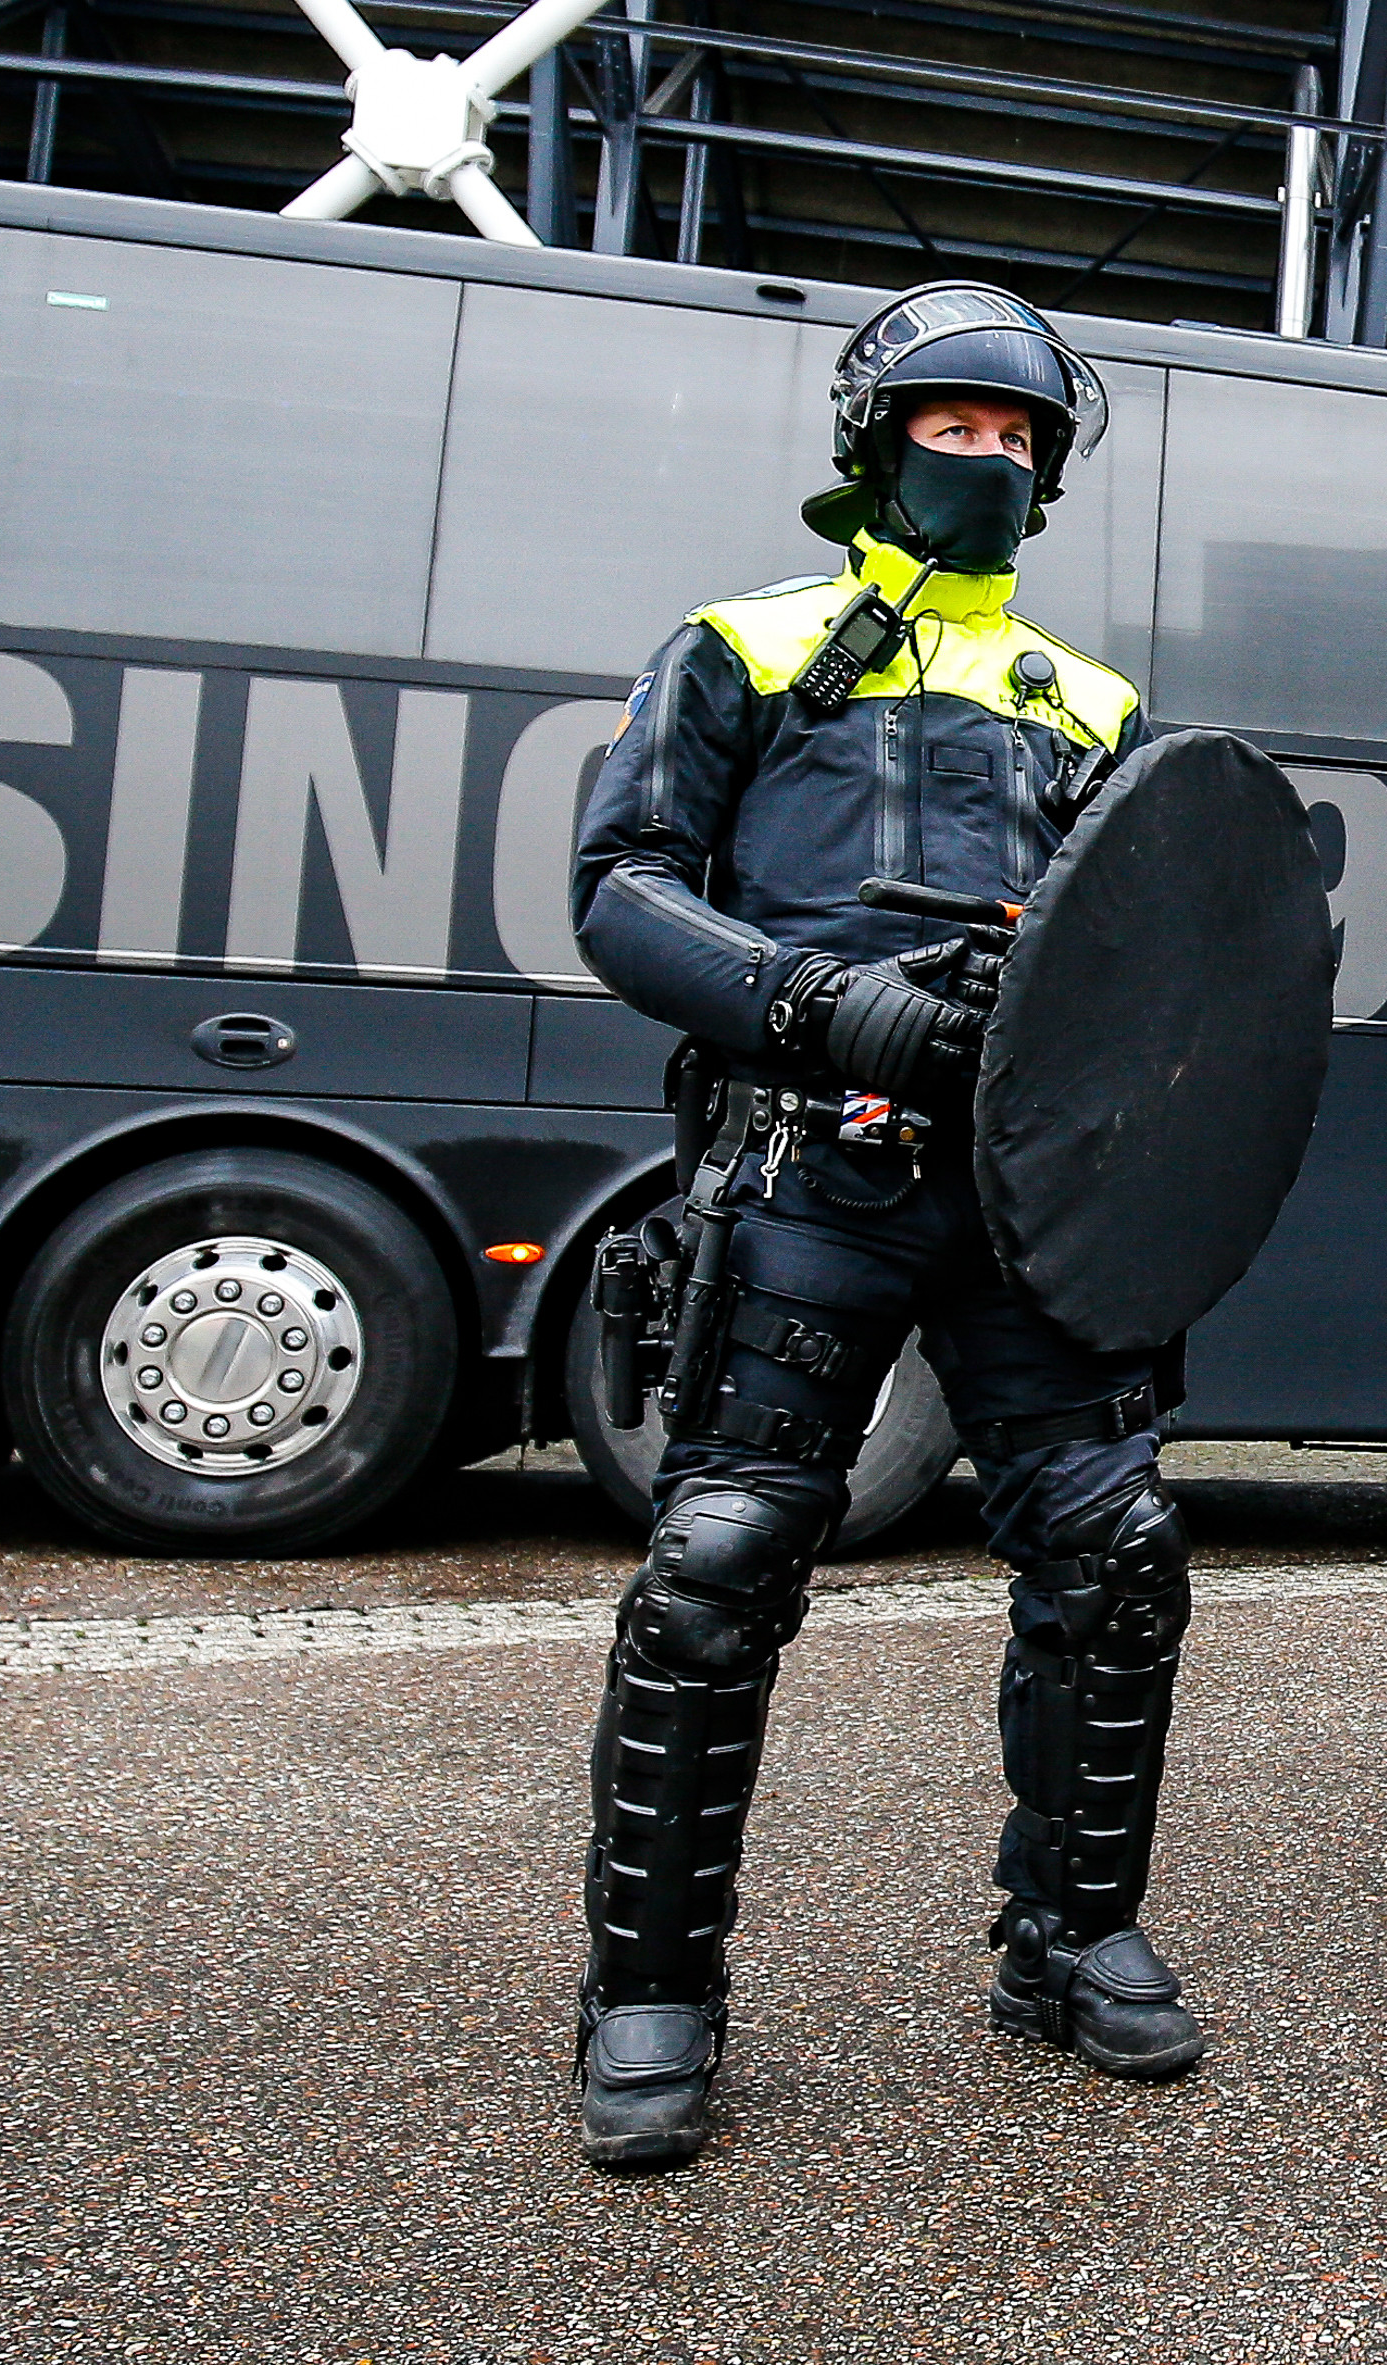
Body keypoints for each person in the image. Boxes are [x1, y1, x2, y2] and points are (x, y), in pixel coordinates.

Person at [565, 281, 1200, 2172]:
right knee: (722, 1559)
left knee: (1118, 1550)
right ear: (873, 445)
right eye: (954, 429)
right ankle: (649, 1992)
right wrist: (829, 1005)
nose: (987, 461)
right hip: (803, 1168)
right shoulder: (741, 648)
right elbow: (619, 891)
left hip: (1017, 1201)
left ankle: (1069, 1940)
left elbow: (1155, 959)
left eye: (1018, 441)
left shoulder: (1087, 701)